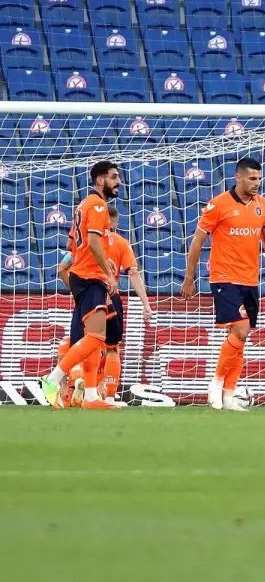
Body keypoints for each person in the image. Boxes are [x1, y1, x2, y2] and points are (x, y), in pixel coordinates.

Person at [182, 157, 265, 412]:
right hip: (224, 278)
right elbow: (197, 241)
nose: (257, 183)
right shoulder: (218, 205)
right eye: (252, 178)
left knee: (241, 336)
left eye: (259, 179)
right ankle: (215, 384)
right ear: (237, 178)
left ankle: (229, 396)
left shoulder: (263, 205)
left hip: (250, 280)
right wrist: (189, 277)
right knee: (240, 329)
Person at [40, 161, 122, 410]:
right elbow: (94, 243)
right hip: (90, 276)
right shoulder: (97, 204)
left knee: (95, 337)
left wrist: (98, 259)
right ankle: (52, 379)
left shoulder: (83, 205)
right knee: (97, 336)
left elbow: (73, 245)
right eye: (113, 177)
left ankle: (89, 397)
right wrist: (108, 272)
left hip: (83, 273)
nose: (118, 181)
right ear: (100, 180)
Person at [56, 205, 152, 407]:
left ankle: (76, 387)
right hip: (110, 297)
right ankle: (108, 396)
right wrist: (146, 304)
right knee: (111, 348)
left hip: (88, 293)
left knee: (84, 342)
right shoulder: (121, 243)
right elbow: (133, 273)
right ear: (114, 223)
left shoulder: (85, 245)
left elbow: (62, 269)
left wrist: (77, 292)